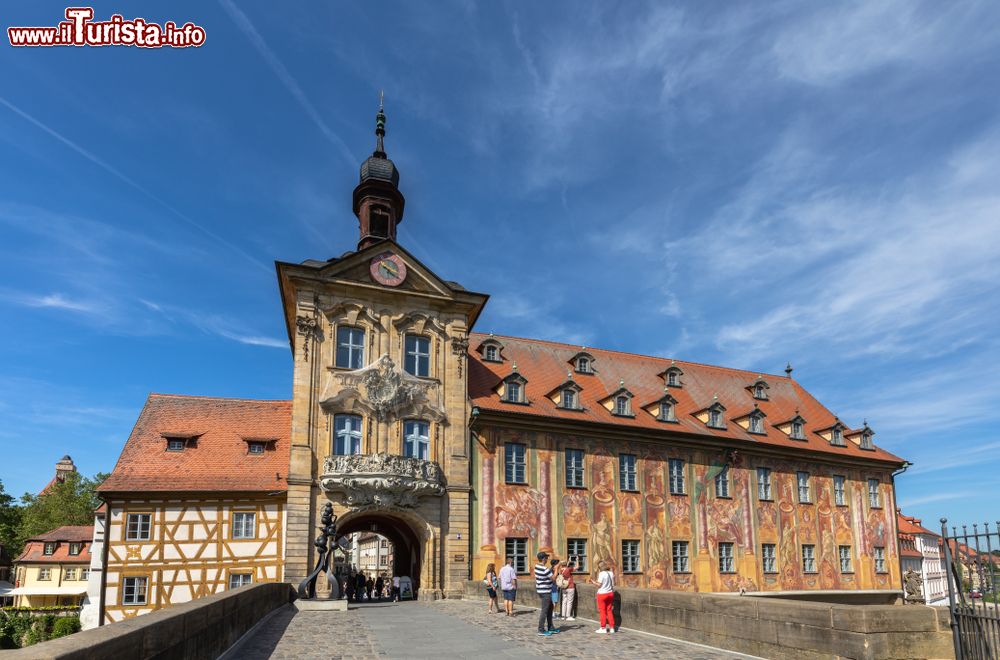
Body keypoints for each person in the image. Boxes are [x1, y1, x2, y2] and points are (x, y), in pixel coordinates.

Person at [534, 551, 559, 636]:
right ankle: (540, 629)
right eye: (546, 557)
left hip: (542, 591)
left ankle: (551, 627)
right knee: (544, 611)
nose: (547, 559)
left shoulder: (537, 566)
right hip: (545, 592)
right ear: (543, 559)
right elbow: (554, 578)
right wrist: (556, 569)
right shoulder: (544, 569)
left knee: (549, 609)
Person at [588, 560, 615, 634]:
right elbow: (613, 584)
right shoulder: (611, 573)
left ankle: (603, 628)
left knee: (602, 611)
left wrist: (593, 582)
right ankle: (612, 628)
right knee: (609, 611)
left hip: (602, 594)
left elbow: (599, 585)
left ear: (600, 567)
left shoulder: (602, 574)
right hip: (610, 593)